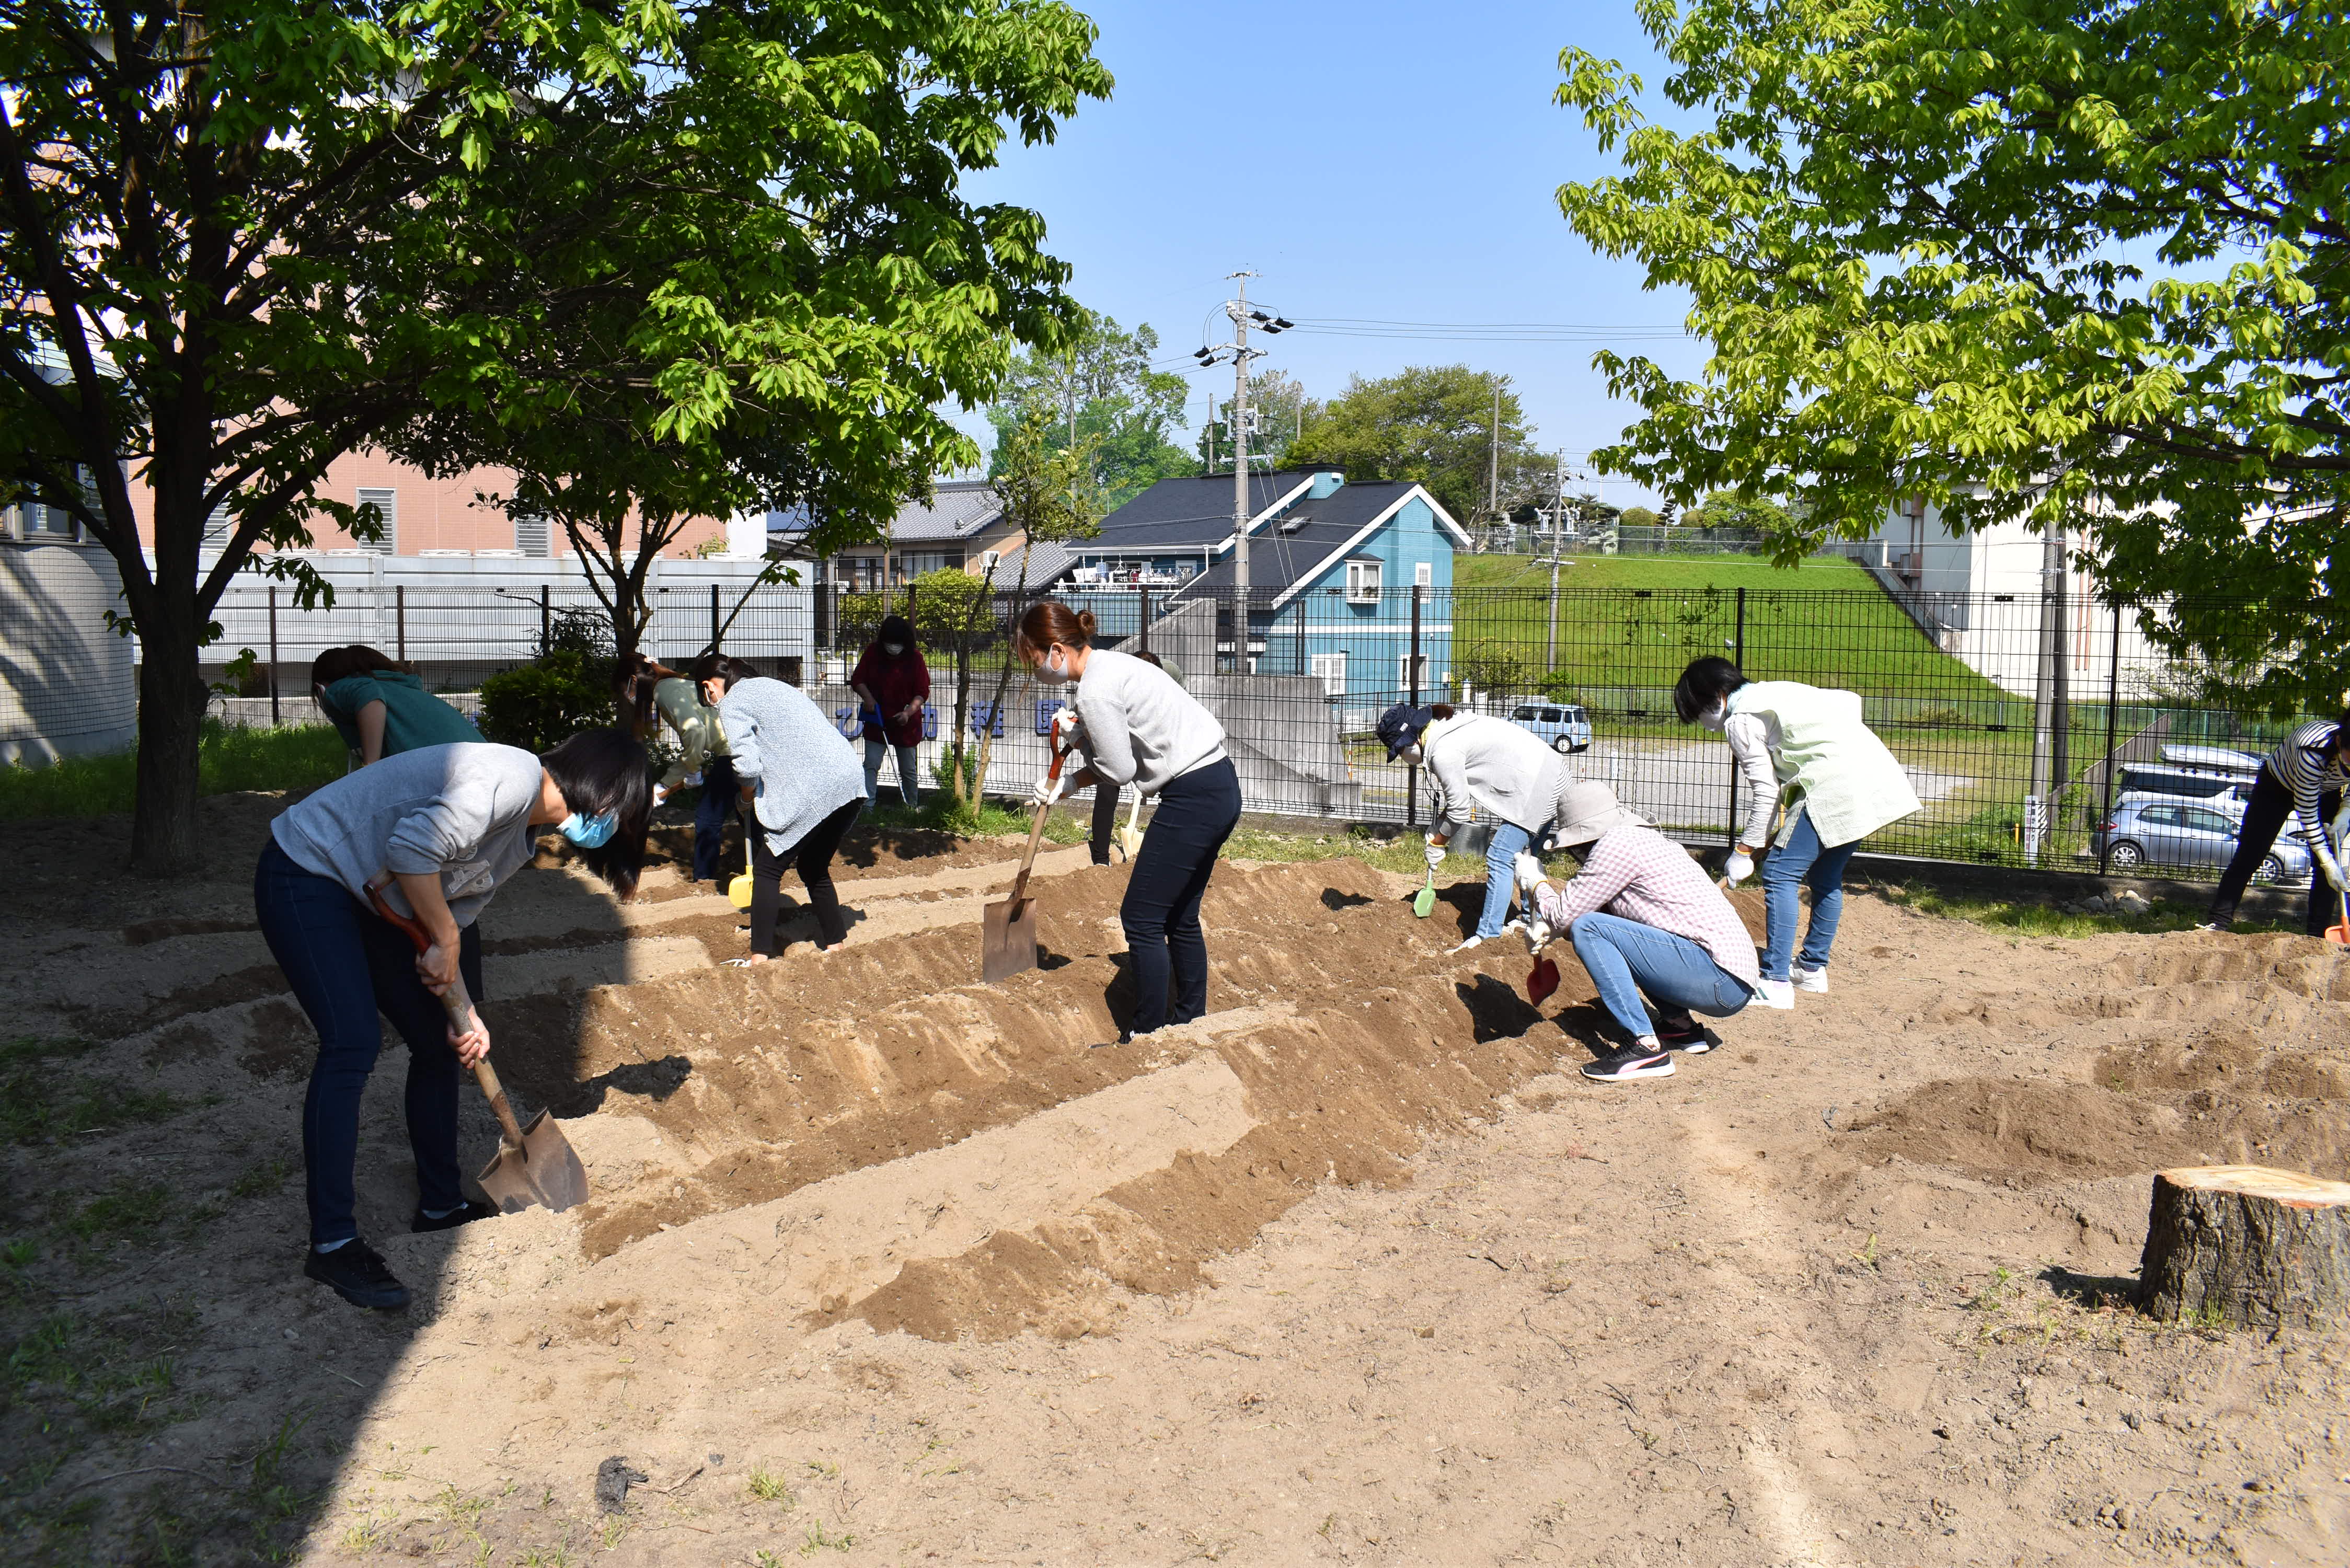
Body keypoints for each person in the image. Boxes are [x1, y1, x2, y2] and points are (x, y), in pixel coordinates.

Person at [255, 730, 651, 1309]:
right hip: (307, 870)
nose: (613, 829)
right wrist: (442, 939)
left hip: (371, 898)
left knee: (441, 1045)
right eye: (624, 814)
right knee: (352, 1043)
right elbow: (413, 851)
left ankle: (440, 1205)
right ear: (608, 794)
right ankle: (334, 1244)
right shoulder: (510, 778)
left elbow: (451, 914)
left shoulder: (521, 836)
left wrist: (463, 1013)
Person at [1020, 602, 1238, 1037]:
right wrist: (1081, 733)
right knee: (1179, 915)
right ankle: (1189, 1020)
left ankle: (1146, 1033)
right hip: (1220, 784)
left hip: (1192, 796)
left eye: (1035, 660)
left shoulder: (1094, 691)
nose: (1036, 670)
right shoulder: (1113, 663)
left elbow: (1118, 770)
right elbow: (1130, 728)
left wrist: (1069, 784)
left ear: (1059, 651)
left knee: (1140, 917)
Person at [1673, 658, 1920, 1009]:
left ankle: (1775, 982)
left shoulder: (1741, 720)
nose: (1703, 723)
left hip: (1833, 785)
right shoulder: (1776, 691)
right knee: (1825, 874)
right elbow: (1849, 701)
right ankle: (1811, 970)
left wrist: (1743, 852)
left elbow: (1765, 790)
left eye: (1698, 713)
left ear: (1716, 696)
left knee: (1778, 873)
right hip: (1872, 777)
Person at [1517, 780, 1760, 1083]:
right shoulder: (1642, 841)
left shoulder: (1615, 846)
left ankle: (1645, 1046)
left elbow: (1570, 916)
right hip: (1729, 979)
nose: (1577, 855)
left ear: (1585, 838)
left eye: (1576, 848)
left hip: (1720, 981)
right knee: (1608, 928)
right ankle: (1680, 1026)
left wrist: (1536, 884)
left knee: (1588, 928)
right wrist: (1551, 926)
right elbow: (1598, 916)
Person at [706, 653, 866, 961]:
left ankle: (760, 957)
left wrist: (746, 798)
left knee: (767, 869)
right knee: (813, 866)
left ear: (709, 687)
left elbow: (748, 765)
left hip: (816, 787)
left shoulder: (733, 701)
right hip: (849, 779)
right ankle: (836, 946)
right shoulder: (778, 687)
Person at [1376, 700, 1569, 952]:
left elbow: (1460, 811)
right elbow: (1458, 800)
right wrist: (1440, 826)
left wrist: (1439, 841)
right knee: (1524, 855)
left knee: (1500, 856)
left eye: (1399, 751)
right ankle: (1528, 918)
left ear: (1411, 742)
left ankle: (1488, 936)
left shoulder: (1443, 752)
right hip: (1553, 772)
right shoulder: (1447, 729)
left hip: (1540, 787)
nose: (1402, 758)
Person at [2205, 711, 2350, 935]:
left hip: (2327, 791)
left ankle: (2317, 936)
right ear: (2340, 742)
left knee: (2328, 869)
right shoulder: (2310, 748)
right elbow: (2307, 810)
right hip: (2277, 787)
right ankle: (2218, 923)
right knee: (2251, 854)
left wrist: (2346, 811)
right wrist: (2328, 863)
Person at [617, 653, 742, 885]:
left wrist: (676, 778)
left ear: (634, 681)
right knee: (746, 812)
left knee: (708, 819)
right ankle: (767, 868)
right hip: (740, 747)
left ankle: (705, 879)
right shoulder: (676, 685)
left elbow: (695, 732)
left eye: (625, 689)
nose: (627, 697)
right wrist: (690, 769)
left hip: (733, 753)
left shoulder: (664, 693)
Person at [310, 645, 480, 765]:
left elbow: (367, 694)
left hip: (457, 779)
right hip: (492, 766)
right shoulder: (403, 690)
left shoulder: (344, 687)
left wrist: (371, 768)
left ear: (320, 688)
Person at [1086, 650, 1172, 866]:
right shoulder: (1112, 686)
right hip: (1115, 733)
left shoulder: (1169, 680)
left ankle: (1166, 850)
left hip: (1151, 734)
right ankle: (1101, 859)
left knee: (1171, 791)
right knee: (1107, 788)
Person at [850, 614, 930, 811]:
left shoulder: (915, 659)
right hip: (877, 721)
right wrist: (868, 698)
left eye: (896, 643)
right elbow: (857, 680)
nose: (892, 647)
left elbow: (922, 692)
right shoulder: (873, 653)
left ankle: (911, 806)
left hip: (905, 723)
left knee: (908, 769)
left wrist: (909, 712)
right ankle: (867, 808)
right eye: (889, 643)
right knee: (871, 764)